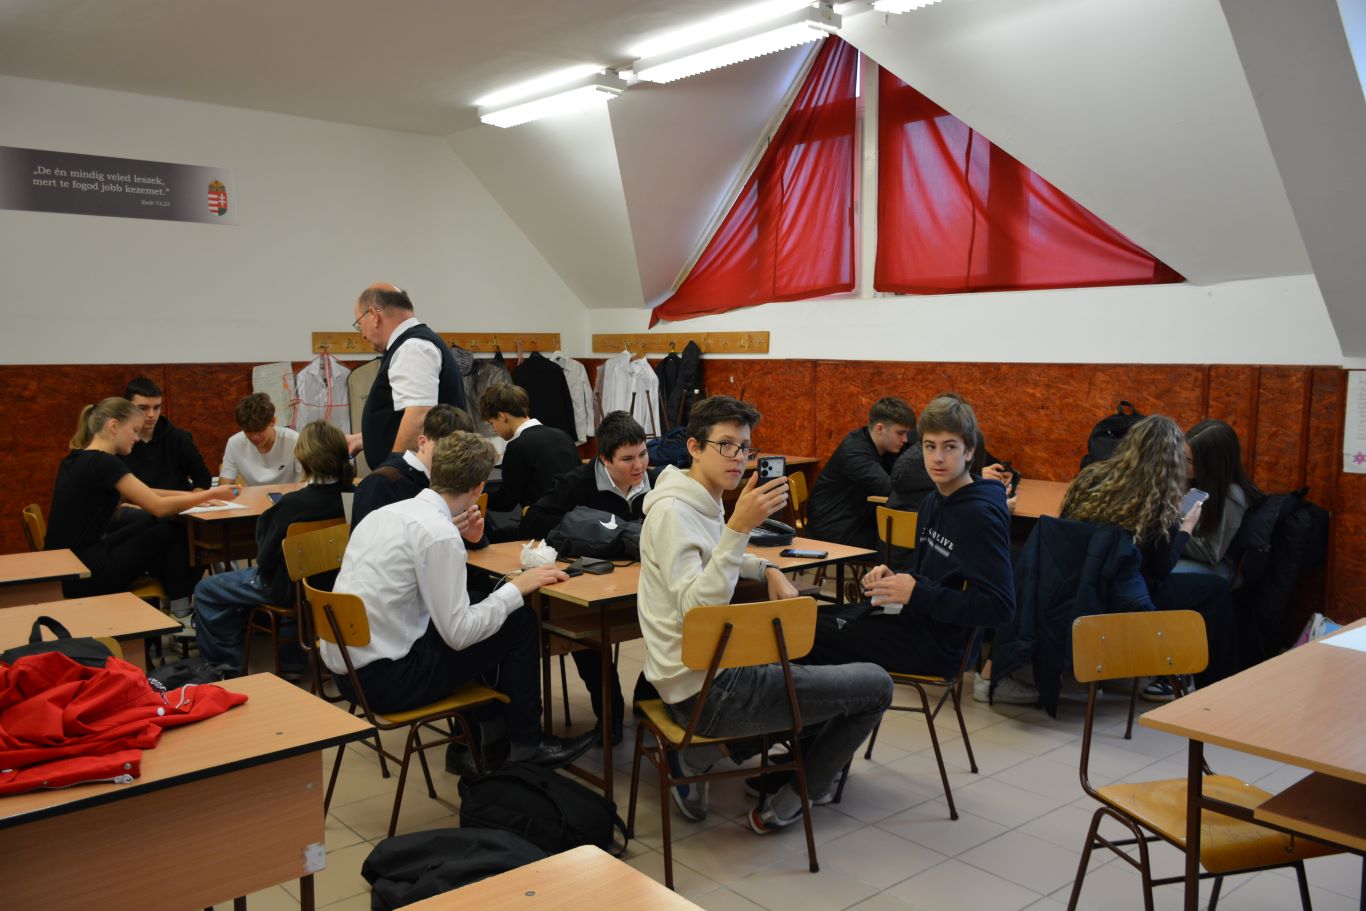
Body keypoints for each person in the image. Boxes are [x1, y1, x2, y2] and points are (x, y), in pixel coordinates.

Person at [638, 395, 892, 834]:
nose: (739, 457)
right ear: (694, 447)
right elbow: (698, 609)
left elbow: (717, 553)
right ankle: (795, 797)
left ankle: (700, 756)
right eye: (726, 445)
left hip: (702, 677)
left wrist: (767, 568)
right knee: (876, 686)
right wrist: (739, 528)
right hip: (706, 692)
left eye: (745, 447)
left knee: (817, 666)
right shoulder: (674, 514)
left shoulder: (699, 499)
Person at [321, 432, 595, 770]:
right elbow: (459, 634)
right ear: (479, 488)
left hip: (348, 673)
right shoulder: (437, 533)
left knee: (482, 605)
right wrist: (518, 587)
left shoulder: (387, 514)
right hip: (388, 682)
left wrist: (455, 534)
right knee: (518, 620)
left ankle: (487, 739)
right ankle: (527, 744)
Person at [805, 394, 1016, 688]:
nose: (937, 458)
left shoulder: (979, 515)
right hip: (913, 619)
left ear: (969, 451)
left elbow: (1000, 608)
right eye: (930, 446)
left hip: (940, 647)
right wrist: (896, 579)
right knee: (800, 621)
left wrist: (915, 592)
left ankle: (821, 716)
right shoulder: (932, 500)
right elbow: (931, 578)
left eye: (950, 447)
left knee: (800, 637)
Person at [1060, 414, 1237, 698]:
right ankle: (1211, 686)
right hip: (1122, 600)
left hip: (1077, 589)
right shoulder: (1158, 498)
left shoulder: (1090, 477)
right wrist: (1185, 529)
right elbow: (1161, 569)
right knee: (1216, 589)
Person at [520, 410, 661, 744]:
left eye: (643, 454)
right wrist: (589, 529)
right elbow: (533, 521)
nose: (639, 466)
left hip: (650, 584)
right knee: (586, 636)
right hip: (593, 589)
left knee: (679, 629)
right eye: (627, 459)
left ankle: (648, 699)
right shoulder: (577, 483)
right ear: (605, 459)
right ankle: (610, 716)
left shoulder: (658, 482)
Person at [193, 421, 355, 673]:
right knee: (297, 576)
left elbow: (265, 560)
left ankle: (227, 666)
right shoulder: (353, 496)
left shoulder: (290, 505)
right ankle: (291, 660)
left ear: (303, 459)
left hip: (287, 588)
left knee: (206, 590)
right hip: (334, 584)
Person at [46, 399, 238, 611]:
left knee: (158, 524)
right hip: (87, 574)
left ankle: (174, 600)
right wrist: (210, 494)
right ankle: (180, 607)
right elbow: (158, 506)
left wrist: (195, 497)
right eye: (134, 430)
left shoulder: (75, 458)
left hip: (65, 570)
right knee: (172, 529)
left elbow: (142, 493)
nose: (137, 438)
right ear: (113, 426)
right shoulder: (105, 463)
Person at [347, 283, 468, 471]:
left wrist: (391, 475)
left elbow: (419, 418)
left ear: (373, 315)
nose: (362, 335)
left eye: (359, 324)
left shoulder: (412, 348)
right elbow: (401, 418)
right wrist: (365, 439)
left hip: (422, 482)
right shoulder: (411, 345)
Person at [807, 397, 916, 549]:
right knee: (901, 544)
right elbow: (888, 489)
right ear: (880, 429)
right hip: (833, 528)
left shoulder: (880, 445)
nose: (905, 439)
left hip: (855, 520)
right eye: (900, 433)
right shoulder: (854, 452)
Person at [350, 404, 475, 530]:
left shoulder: (452, 482)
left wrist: (474, 537)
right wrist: (441, 532)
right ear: (422, 443)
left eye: (460, 454)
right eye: (444, 450)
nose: (452, 459)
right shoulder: (380, 483)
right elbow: (369, 539)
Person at [1178, 419, 1263, 579]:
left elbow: (1211, 553)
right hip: (1185, 553)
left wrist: (1166, 531)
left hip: (1218, 567)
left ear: (1211, 464)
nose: (1182, 465)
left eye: (1189, 461)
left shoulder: (1232, 496)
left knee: (1156, 576)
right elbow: (1181, 518)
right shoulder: (1197, 482)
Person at [479, 384, 581, 516]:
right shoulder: (563, 436)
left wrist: (476, 496)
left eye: (492, 423)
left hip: (544, 521)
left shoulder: (517, 447)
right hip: (578, 518)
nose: (494, 429)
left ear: (502, 416)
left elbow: (506, 502)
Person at [120, 376, 212, 491]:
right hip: (134, 502)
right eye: (143, 408)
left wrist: (193, 498)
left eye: (157, 408)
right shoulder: (118, 441)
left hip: (180, 501)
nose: (151, 414)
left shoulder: (179, 438)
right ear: (127, 407)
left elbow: (203, 480)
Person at [218, 393, 301, 486]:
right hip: (254, 495)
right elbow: (224, 484)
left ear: (272, 421)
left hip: (291, 494)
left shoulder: (294, 440)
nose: (254, 437)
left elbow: (307, 479)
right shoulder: (234, 443)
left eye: (259, 430)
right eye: (248, 431)